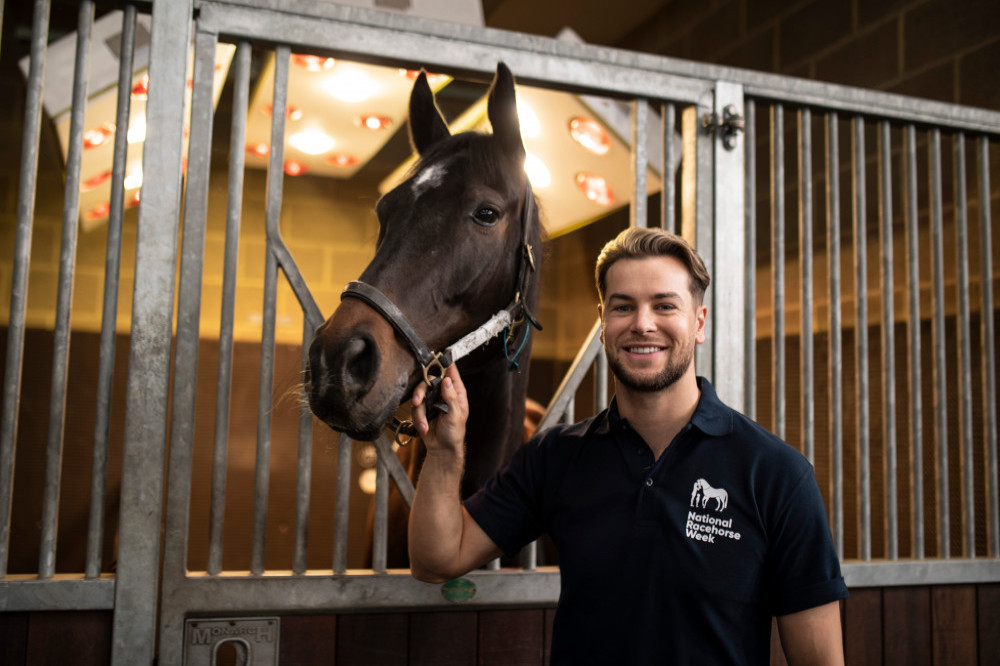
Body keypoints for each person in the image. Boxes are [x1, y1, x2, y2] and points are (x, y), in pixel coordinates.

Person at [408, 226, 848, 665]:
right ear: (603, 322)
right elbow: (436, 559)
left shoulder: (775, 473)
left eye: (664, 305)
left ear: (698, 322)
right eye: (623, 306)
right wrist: (445, 454)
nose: (642, 323)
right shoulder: (556, 456)